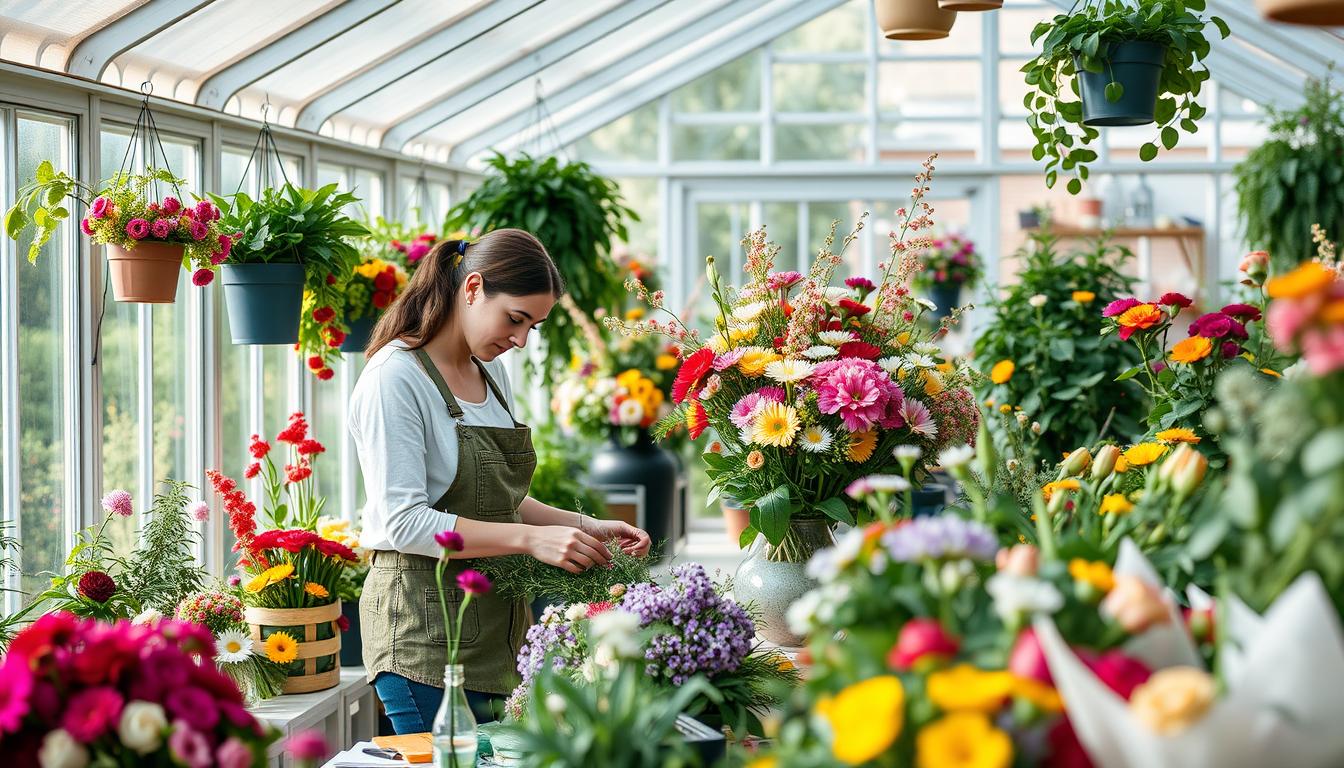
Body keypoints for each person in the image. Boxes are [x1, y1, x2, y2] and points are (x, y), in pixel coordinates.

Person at [349, 228, 651, 734]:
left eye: (532, 326)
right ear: (471, 288)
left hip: (497, 630)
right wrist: (532, 540)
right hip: (422, 637)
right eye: (515, 319)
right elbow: (404, 522)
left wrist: (588, 526)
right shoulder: (395, 379)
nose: (520, 340)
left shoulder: (490, 374)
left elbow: (501, 500)